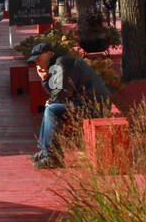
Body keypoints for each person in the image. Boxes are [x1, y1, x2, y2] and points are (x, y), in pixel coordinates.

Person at [27, 41, 113, 169]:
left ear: (49, 54)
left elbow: (61, 93)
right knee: (51, 108)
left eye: (39, 58)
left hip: (95, 106)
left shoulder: (63, 64)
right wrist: (47, 84)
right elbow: (58, 93)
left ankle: (53, 157)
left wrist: (45, 82)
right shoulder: (59, 63)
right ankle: (46, 150)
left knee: (51, 110)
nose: (37, 62)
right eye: (35, 60)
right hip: (86, 103)